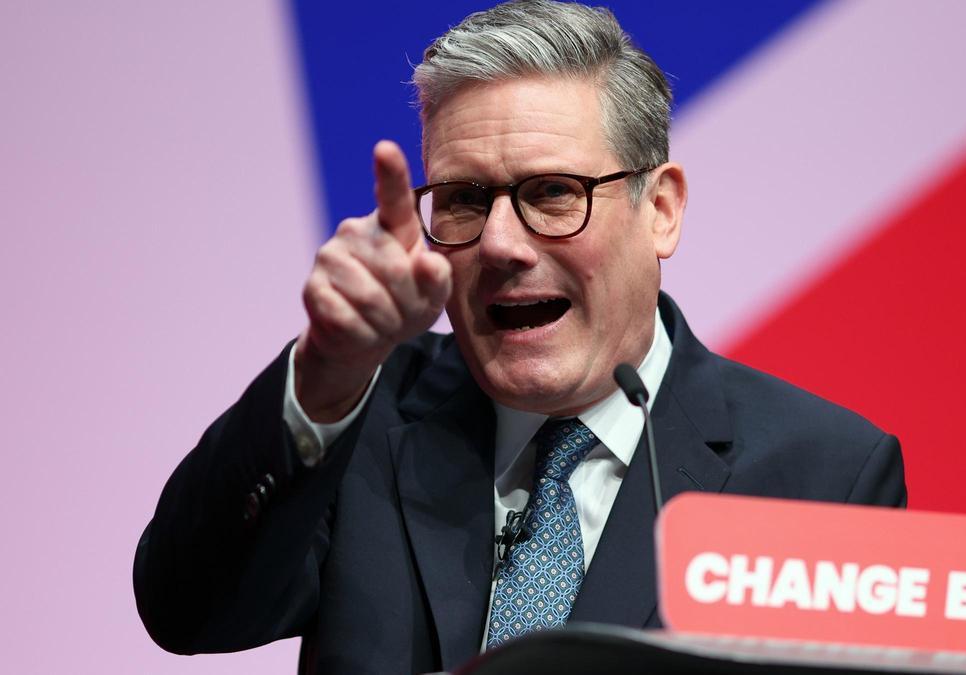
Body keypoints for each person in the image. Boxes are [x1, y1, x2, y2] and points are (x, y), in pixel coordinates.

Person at [134, 2, 906, 673]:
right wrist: (328, 373)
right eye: (465, 199)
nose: (501, 243)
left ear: (661, 208)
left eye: (552, 192)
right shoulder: (365, 415)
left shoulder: (821, 474)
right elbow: (186, 611)